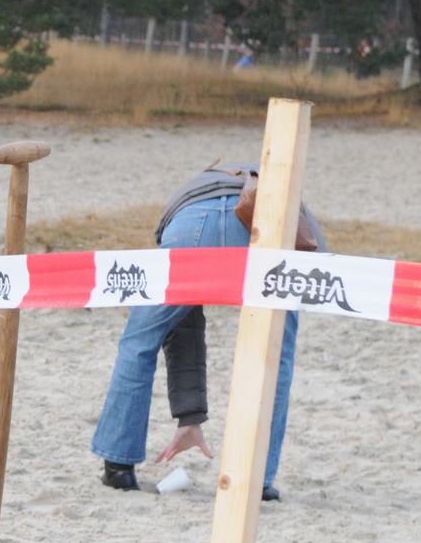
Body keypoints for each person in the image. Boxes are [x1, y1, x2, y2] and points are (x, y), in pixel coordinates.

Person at [90, 165, 321, 501]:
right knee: (276, 354)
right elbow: (313, 252)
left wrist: (190, 416)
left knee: (140, 342)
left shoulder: (193, 191)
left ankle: (118, 466)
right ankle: (257, 480)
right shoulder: (291, 199)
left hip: (190, 226)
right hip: (272, 226)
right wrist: (190, 415)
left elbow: (183, 326)